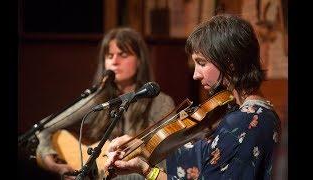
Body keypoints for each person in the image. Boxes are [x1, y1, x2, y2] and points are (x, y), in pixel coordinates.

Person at [104, 14, 281, 180]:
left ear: (230, 62)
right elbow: (196, 155)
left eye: (202, 63)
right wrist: (142, 149)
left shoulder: (243, 122)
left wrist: (147, 171)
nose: (196, 74)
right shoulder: (251, 112)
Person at [35, 27, 175, 179]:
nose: (114, 61)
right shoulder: (98, 99)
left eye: (123, 55)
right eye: (109, 56)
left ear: (140, 61)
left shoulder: (161, 102)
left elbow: (167, 160)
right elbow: (44, 127)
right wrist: (55, 166)